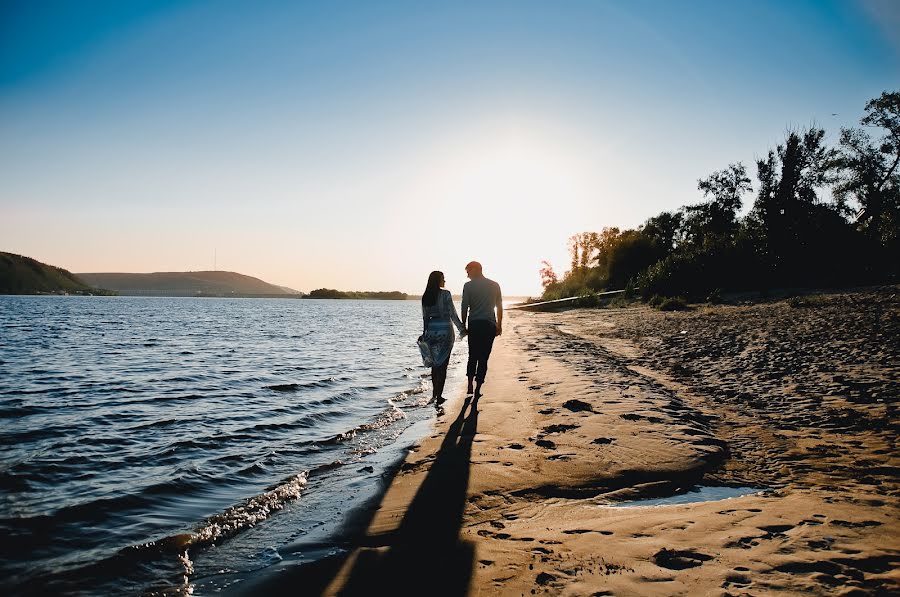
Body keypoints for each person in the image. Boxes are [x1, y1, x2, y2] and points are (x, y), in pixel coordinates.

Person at [421, 271, 466, 404]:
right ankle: (439, 396)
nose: (444, 281)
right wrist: (461, 328)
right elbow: (452, 313)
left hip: (431, 332)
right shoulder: (445, 294)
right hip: (445, 331)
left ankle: (434, 394)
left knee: (435, 364)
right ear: (438, 280)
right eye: (443, 279)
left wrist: (424, 333)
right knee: (443, 364)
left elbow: (425, 317)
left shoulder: (426, 296)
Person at [460, 261, 502, 397]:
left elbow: (464, 307)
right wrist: (499, 325)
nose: (467, 275)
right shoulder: (494, 285)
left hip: (475, 325)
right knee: (484, 357)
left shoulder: (468, 286)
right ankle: (478, 388)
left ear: (476, 269)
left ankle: (470, 384)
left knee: (473, 355)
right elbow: (499, 307)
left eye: (468, 272)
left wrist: (463, 325)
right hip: (489, 324)